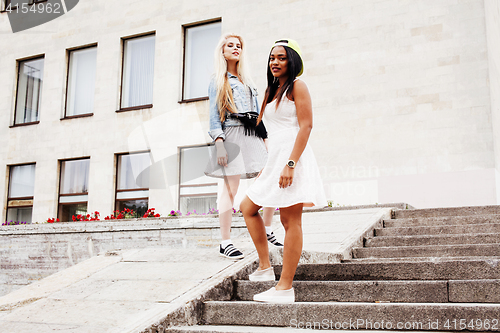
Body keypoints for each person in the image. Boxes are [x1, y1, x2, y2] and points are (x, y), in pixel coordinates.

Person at [240, 39, 327, 303]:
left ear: (292, 60)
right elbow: (267, 131)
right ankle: (265, 267)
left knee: (291, 221)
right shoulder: (271, 90)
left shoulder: (297, 87)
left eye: (281, 57)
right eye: (271, 58)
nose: (275, 62)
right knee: (247, 207)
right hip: (275, 157)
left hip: (292, 157)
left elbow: (306, 126)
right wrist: (267, 164)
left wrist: (291, 164)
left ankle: (285, 287)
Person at [205, 33, 283, 260]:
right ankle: (225, 242)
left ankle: (267, 229)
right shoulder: (217, 80)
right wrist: (219, 144)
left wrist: (266, 140)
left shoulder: (247, 80)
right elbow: (213, 116)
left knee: (269, 179)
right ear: (222, 50)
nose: (235, 48)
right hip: (231, 133)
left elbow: (258, 114)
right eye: (230, 45)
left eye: (238, 45)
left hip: (253, 133)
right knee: (230, 188)